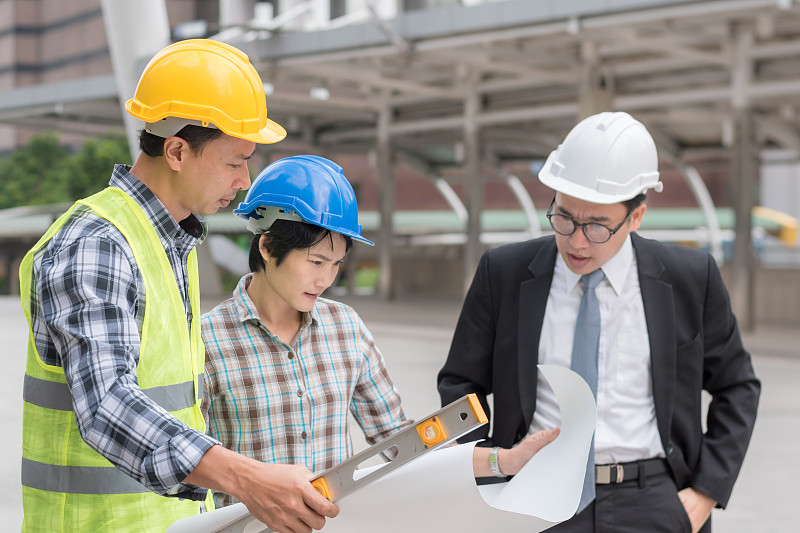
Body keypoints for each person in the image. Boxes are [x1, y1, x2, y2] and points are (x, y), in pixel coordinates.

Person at [19, 39, 337, 533]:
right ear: (176, 150)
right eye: (235, 162)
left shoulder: (169, 242)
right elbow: (107, 405)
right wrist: (246, 477)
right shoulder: (98, 245)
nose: (245, 181)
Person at [438, 111, 760, 533]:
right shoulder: (504, 273)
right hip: (533, 494)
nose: (576, 241)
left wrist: (705, 493)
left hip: (653, 500)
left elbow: (737, 386)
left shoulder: (689, 278)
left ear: (636, 217)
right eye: (565, 217)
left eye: (596, 226)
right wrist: (484, 473)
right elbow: (461, 385)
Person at [202, 154, 561, 508]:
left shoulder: (345, 329)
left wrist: (503, 461)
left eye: (336, 265)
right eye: (315, 262)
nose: (326, 279)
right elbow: (187, 462)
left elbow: (401, 443)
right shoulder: (208, 340)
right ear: (267, 247)